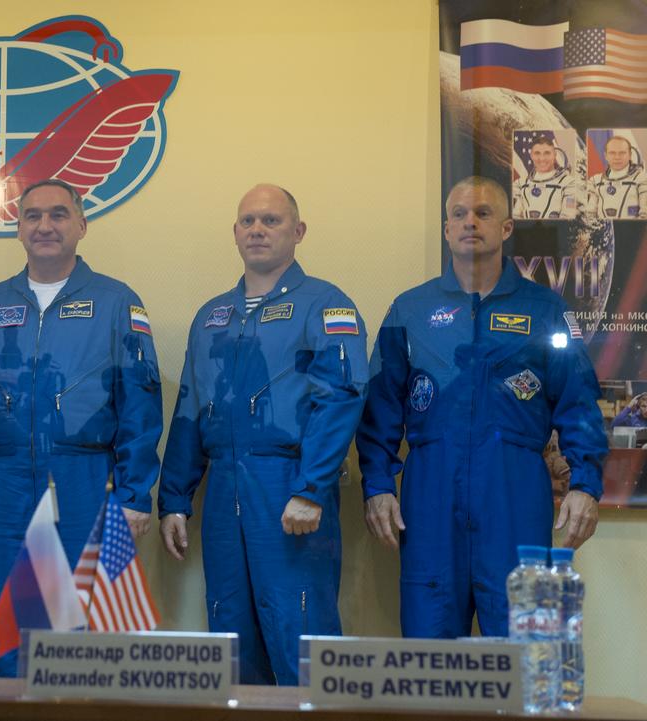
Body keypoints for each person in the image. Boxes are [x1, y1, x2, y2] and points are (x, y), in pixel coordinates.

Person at [357, 176, 606, 639]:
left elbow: (580, 402)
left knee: (530, 657)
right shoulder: (410, 310)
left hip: (515, 493)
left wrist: (586, 485)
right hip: (430, 497)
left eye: (484, 213)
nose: (470, 222)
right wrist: (377, 485)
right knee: (428, 667)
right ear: (446, 229)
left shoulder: (545, 310)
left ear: (507, 227)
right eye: (459, 214)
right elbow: (381, 408)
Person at [0, 178, 163, 677]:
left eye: (59, 214)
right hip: (4, 485)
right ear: (17, 228)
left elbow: (141, 408)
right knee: (8, 632)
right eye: (33, 215)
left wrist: (133, 497)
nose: (45, 225)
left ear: (81, 225)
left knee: (87, 641)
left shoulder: (116, 302)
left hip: (86, 482)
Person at [157, 184, 368, 685]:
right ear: (234, 233)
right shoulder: (212, 317)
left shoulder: (325, 304)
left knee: (300, 633)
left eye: (271, 221)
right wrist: (174, 500)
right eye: (248, 221)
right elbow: (190, 406)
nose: (257, 230)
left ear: (298, 232)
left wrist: (310, 488)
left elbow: (340, 396)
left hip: (288, 486)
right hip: (224, 488)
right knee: (231, 638)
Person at [513, 136, 579, 220]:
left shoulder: (569, 183)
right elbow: (516, 215)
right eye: (537, 153)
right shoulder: (519, 184)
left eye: (547, 153)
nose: (542, 158)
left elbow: (568, 216)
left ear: (554, 155)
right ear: (531, 155)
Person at [590, 135, 647, 219]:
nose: (617, 157)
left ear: (630, 155)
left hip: (633, 230)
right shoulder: (595, 181)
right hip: (603, 230)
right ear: (605, 156)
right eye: (612, 153)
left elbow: (645, 215)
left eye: (622, 153)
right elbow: (589, 214)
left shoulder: (642, 179)